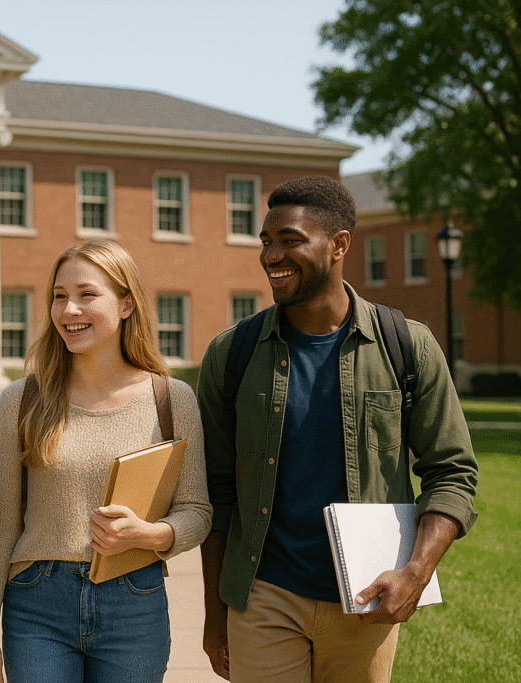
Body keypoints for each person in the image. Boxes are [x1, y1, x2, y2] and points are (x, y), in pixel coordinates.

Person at [197, 175, 479, 683]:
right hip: (264, 595)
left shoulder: (407, 346)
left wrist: (416, 573)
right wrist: (215, 617)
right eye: (266, 241)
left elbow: (453, 473)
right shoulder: (231, 354)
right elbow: (217, 492)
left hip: (366, 598)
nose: (270, 256)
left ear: (339, 245)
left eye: (290, 241)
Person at [0, 238, 212, 683]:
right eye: (59, 297)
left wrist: (150, 534)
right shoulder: (20, 400)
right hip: (36, 604)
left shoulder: (171, 399)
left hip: (135, 602)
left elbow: (197, 512)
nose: (68, 310)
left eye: (86, 294)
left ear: (125, 304)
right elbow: (2, 522)